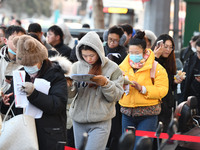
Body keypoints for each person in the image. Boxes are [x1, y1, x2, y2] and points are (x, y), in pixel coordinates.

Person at [1, 35, 68, 150]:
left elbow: (58, 105)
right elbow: (14, 108)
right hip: (24, 134)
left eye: (31, 64)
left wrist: (34, 94)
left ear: (41, 59)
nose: (28, 68)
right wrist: (4, 102)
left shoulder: (56, 75)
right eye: (25, 65)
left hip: (49, 135)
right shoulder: (20, 74)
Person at [68, 31, 124, 150]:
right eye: (84, 55)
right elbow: (70, 96)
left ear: (99, 52)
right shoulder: (76, 66)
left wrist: (105, 84)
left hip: (101, 121)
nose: (88, 59)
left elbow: (117, 96)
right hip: (79, 119)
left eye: (91, 55)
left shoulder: (113, 68)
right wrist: (69, 85)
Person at [119, 31, 168, 150]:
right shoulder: (122, 67)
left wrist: (143, 89)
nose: (133, 55)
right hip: (127, 113)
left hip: (148, 114)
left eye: (137, 53)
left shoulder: (156, 68)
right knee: (127, 147)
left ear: (145, 51)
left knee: (141, 147)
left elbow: (162, 90)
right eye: (130, 52)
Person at [151, 34, 184, 136]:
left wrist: (175, 82)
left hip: (167, 106)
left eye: (171, 47)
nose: (168, 50)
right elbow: (149, 78)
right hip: (154, 105)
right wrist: (155, 57)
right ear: (158, 46)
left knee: (161, 137)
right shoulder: (151, 60)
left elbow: (168, 86)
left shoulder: (170, 62)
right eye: (166, 46)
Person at [0, 25, 26, 95]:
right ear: (6, 40)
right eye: (14, 39)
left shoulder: (29, 61)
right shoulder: (1, 58)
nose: (18, 42)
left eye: (21, 39)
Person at [180, 38, 200, 112]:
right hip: (191, 99)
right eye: (197, 52)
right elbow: (185, 82)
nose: (199, 55)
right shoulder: (191, 60)